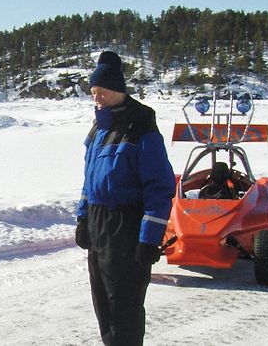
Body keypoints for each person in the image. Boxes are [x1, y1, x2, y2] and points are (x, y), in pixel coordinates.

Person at [75, 51, 175, 345]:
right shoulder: (98, 131)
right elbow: (89, 180)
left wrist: (149, 238)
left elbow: (159, 187)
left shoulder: (141, 129)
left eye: (102, 92)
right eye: (93, 93)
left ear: (117, 90)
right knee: (103, 304)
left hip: (127, 227)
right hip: (99, 224)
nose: (97, 98)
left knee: (124, 307)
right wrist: (83, 218)